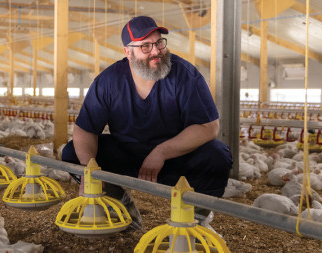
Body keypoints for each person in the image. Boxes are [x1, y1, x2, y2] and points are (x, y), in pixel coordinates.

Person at [62, 16, 233, 230]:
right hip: (128, 155)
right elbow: (85, 129)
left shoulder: (185, 75)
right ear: (128, 52)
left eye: (159, 42)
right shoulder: (108, 81)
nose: (156, 51)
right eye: (145, 46)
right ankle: (120, 208)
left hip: (175, 158)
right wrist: (90, 170)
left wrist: (162, 151)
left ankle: (195, 220)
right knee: (72, 154)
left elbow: (209, 127)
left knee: (217, 155)